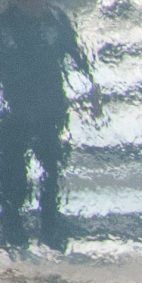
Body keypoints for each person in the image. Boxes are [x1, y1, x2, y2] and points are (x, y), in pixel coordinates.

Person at [0, 0, 103, 254]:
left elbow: (77, 56)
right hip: (14, 112)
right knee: (14, 173)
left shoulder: (56, 20)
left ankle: (50, 228)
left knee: (52, 170)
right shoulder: (5, 24)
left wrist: (92, 91)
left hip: (51, 109)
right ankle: (12, 228)